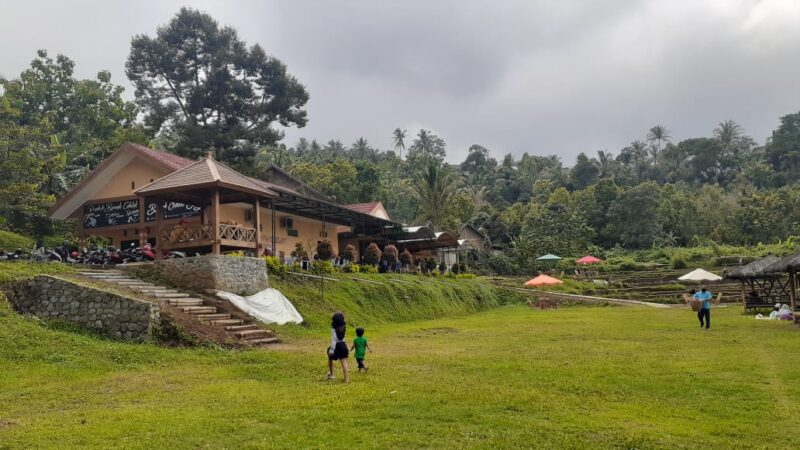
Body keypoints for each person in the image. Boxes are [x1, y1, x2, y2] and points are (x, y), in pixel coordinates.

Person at [326, 312, 350, 382]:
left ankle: (331, 373)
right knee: (344, 362)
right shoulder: (344, 327)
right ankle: (346, 380)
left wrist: (332, 349)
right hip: (343, 345)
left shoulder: (333, 329)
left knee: (330, 357)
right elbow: (344, 337)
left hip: (336, 346)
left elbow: (334, 340)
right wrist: (345, 345)